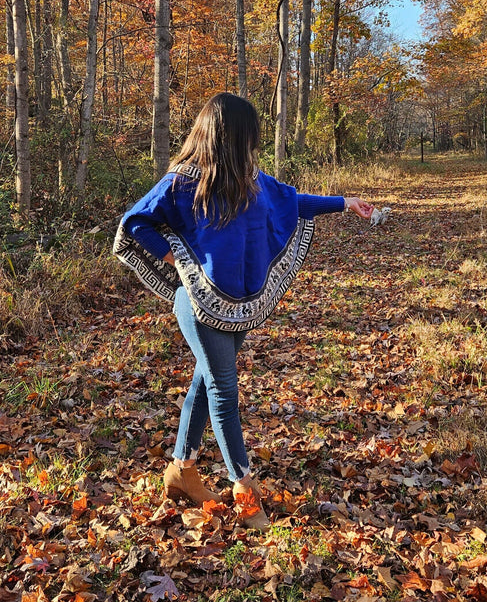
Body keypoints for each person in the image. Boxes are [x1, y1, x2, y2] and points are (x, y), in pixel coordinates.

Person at [114, 93, 374, 530]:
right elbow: (134, 222)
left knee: (206, 378)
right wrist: (172, 257)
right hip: (197, 299)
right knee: (223, 389)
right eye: (249, 133)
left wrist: (343, 202)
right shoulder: (181, 182)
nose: (253, 141)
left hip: (238, 302)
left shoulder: (249, 179)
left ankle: (182, 469)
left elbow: (291, 201)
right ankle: (243, 486)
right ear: (231, 133)